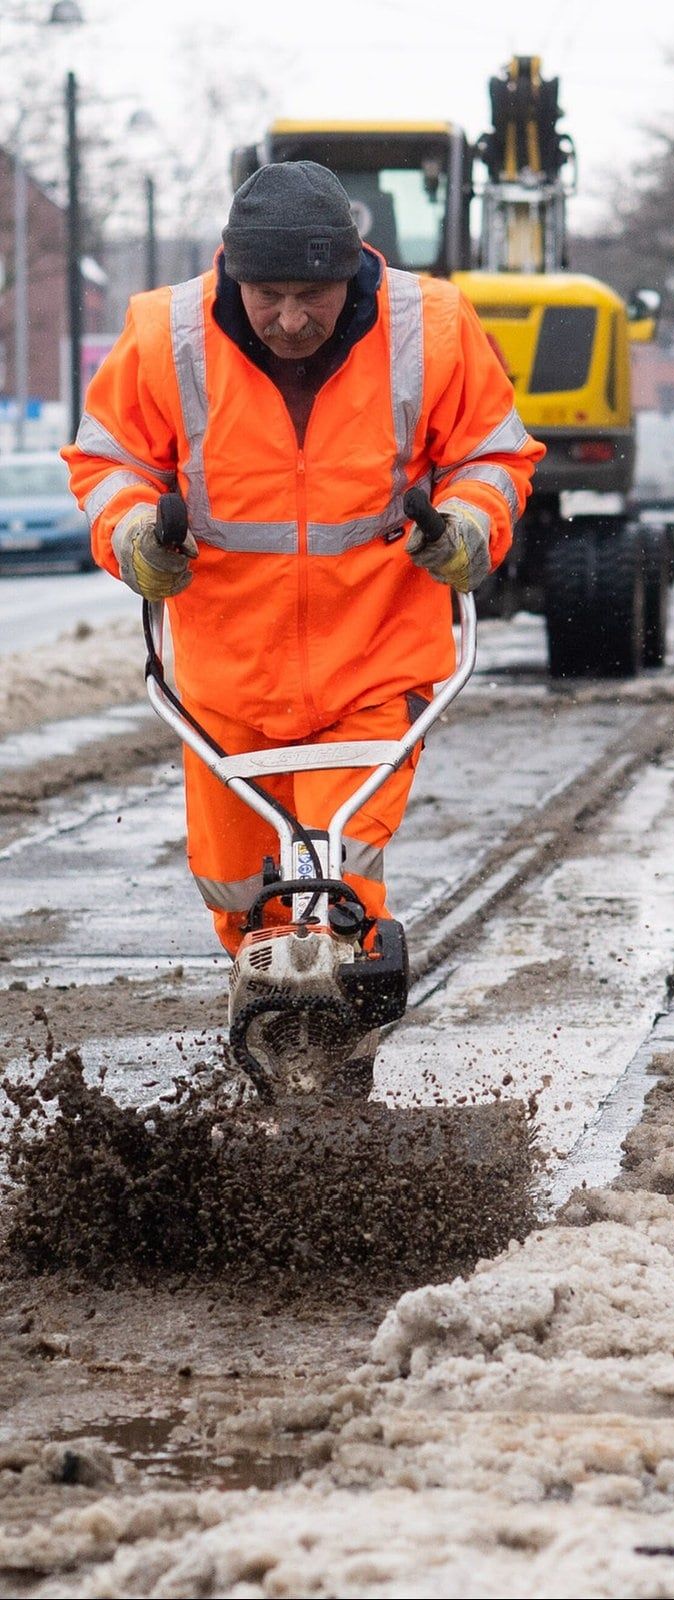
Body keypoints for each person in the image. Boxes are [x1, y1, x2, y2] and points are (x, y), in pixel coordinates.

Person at [65, 161, 541, 1075]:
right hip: (222, 677)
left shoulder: (430, 326)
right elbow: (108, 463)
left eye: (311, 298)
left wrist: (466, 532)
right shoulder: (164, 333)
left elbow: (493, 453)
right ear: (230, 276)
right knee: (241, 894)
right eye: (268, 297)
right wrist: (136, 539)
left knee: (339, 885)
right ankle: (276, 1050)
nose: (289, 319)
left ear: (354, 273)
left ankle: (337, 1067)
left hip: (373, 666)